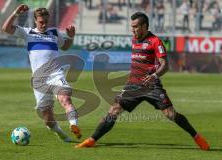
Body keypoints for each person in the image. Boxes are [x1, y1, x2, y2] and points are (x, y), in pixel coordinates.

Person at [75, 12, 210, 151]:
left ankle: (197, 137)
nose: (132, 30)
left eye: (135, 26)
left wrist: (155, 76)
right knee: (114, 110)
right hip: (133, 85)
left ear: (144, 26)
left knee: (170, 114)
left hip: (152, 85)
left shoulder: (155, 41)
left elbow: (165, 65)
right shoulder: (134, 40)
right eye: (131, 26)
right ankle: (92, 140)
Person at [2, 4, 82, 142]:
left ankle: (74, 126)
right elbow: (6, 28)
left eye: (46, 22)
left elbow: (65, 46)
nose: (44, 24)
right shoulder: (27, 33)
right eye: (41, 22)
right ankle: (61, 133)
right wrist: (16, 13)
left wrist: (70, 37)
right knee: (48, 120)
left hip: (56, 74)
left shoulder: (55, 33)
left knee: (65, 99)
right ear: (35, 20)